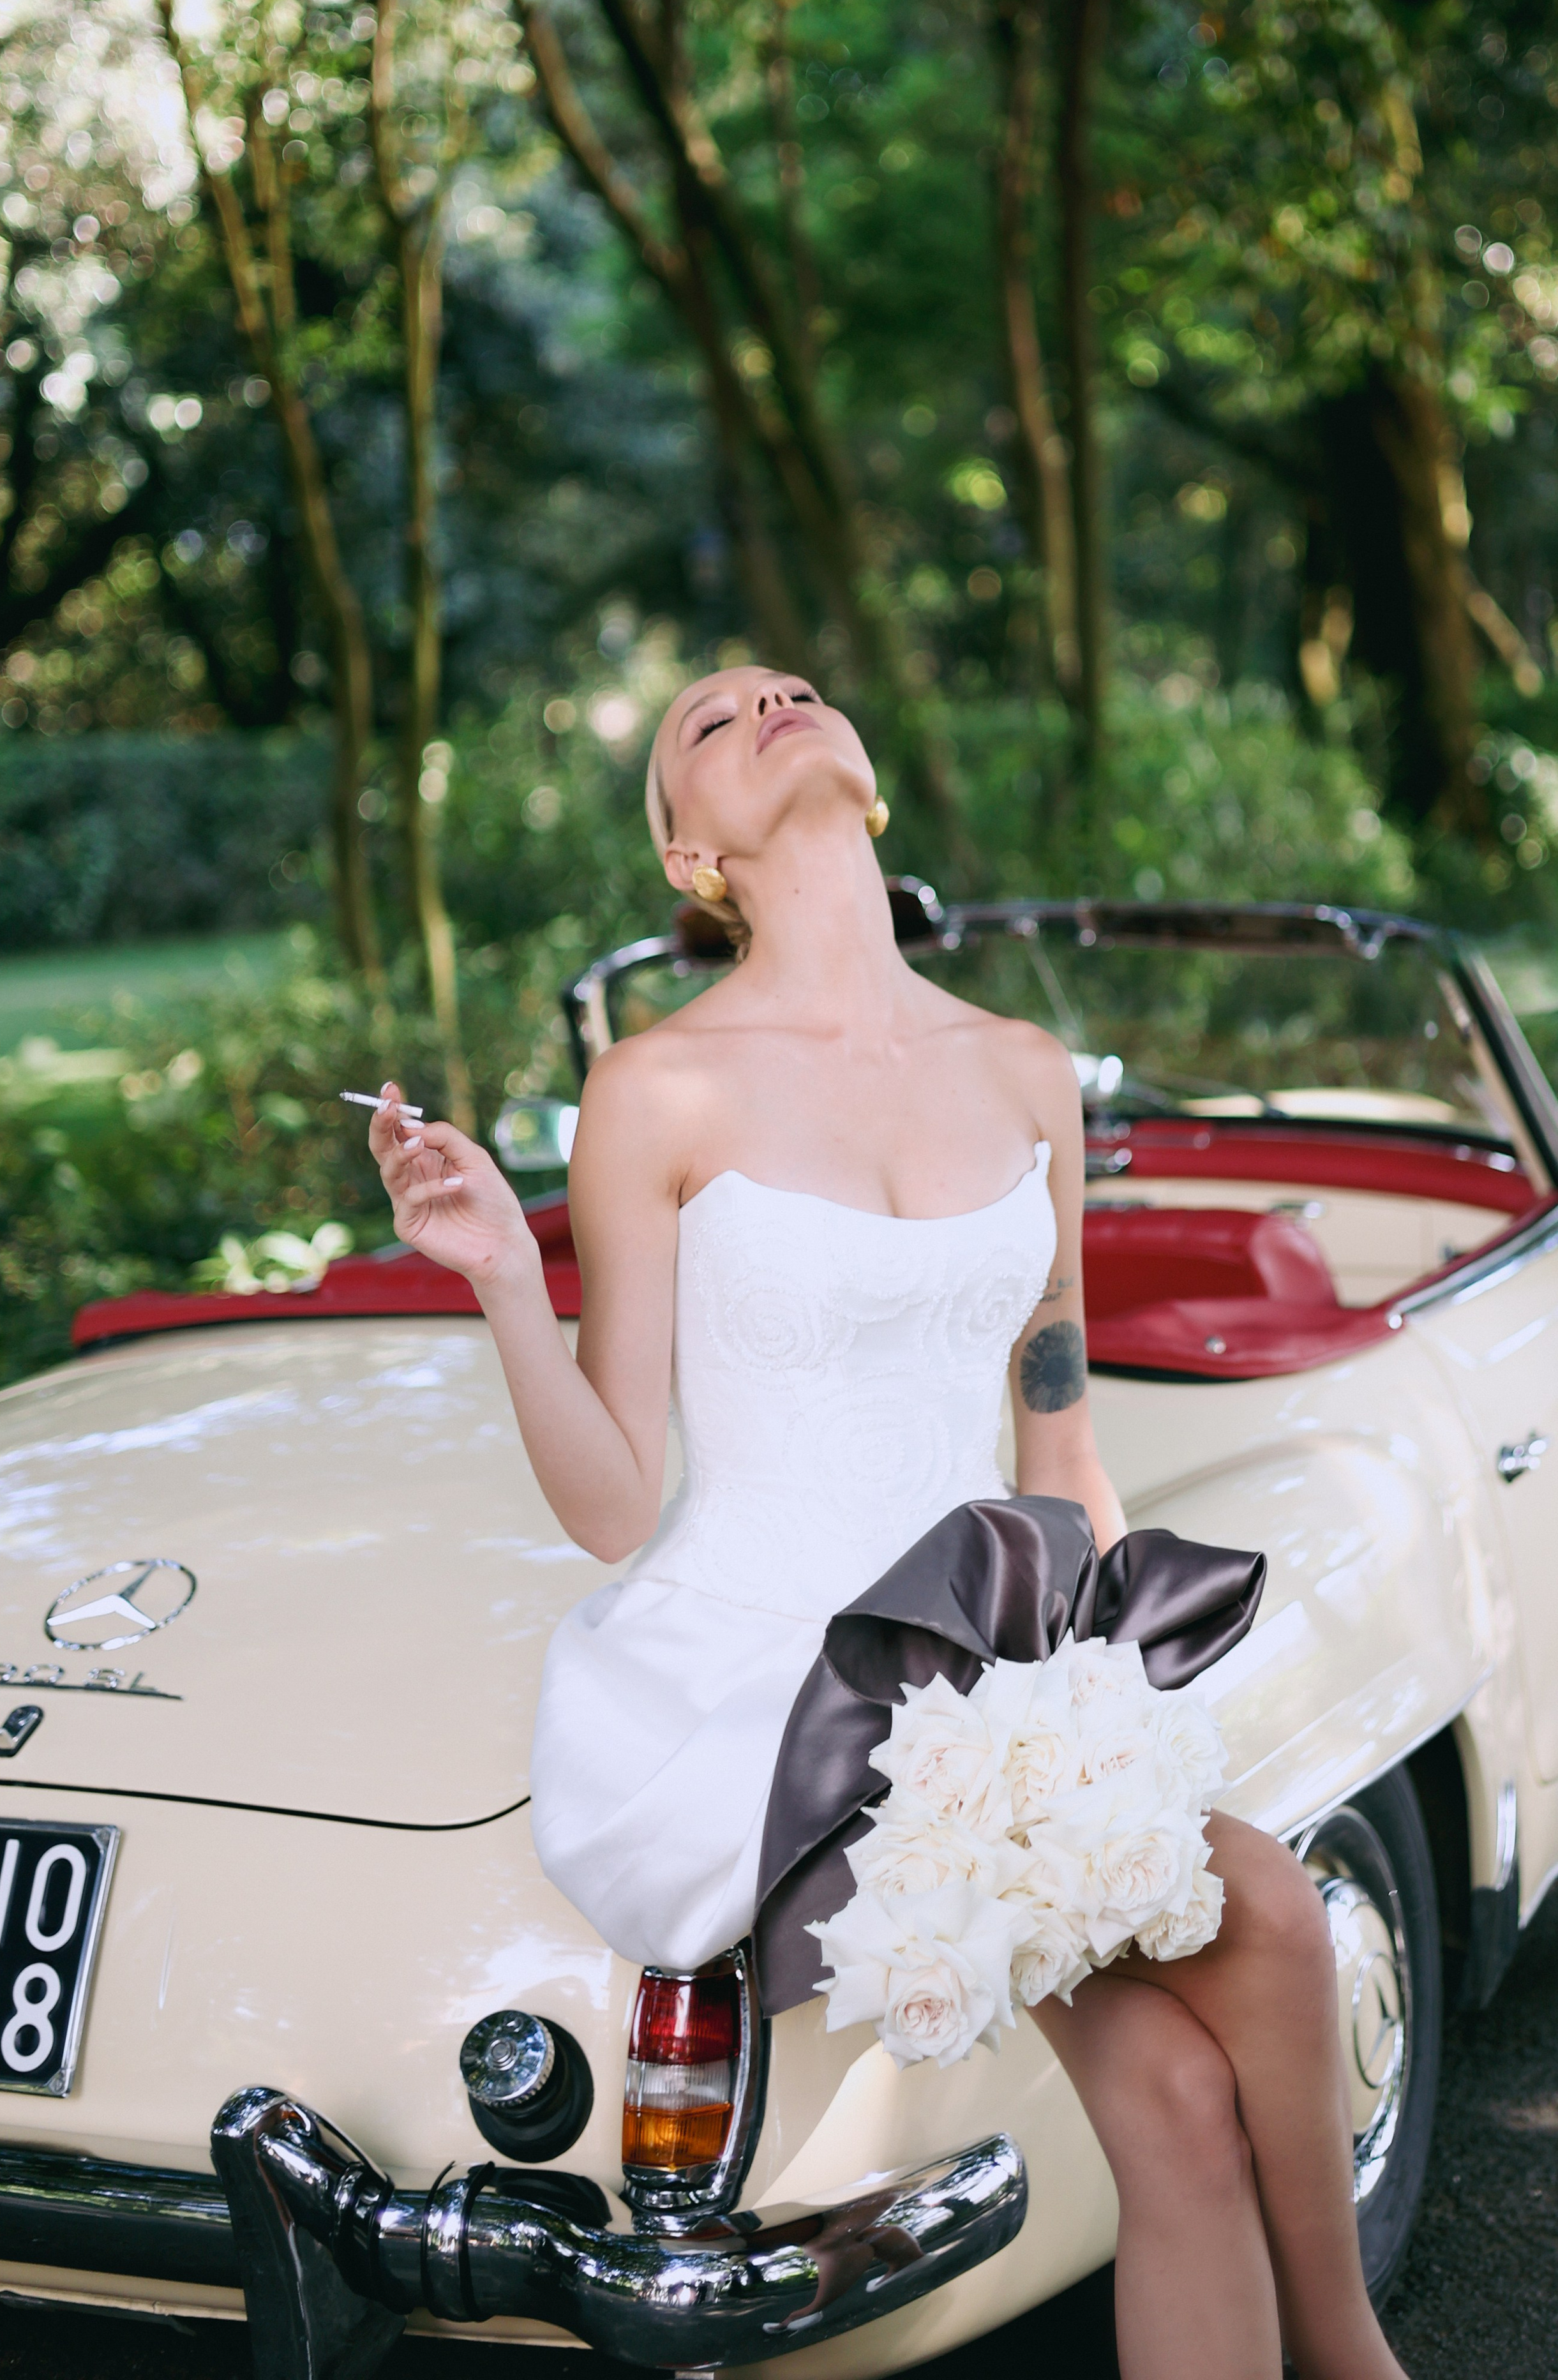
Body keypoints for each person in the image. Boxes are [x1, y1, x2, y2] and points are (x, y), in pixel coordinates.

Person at [368, 666, 1407, 2380]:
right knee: (1277, 1921)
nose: (769, 703)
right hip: (782, 1693)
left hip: (1005, 1667)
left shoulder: (1023, 1069)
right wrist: (498, 1275)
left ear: (870, 779)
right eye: (710, 722)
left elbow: (1055, 1429)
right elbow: (618, 1496)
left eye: (792, 688)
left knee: (1174, 2107)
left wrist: (1115, 1717)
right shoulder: (657, 1088)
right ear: (687, 855)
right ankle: (1357, 2354)